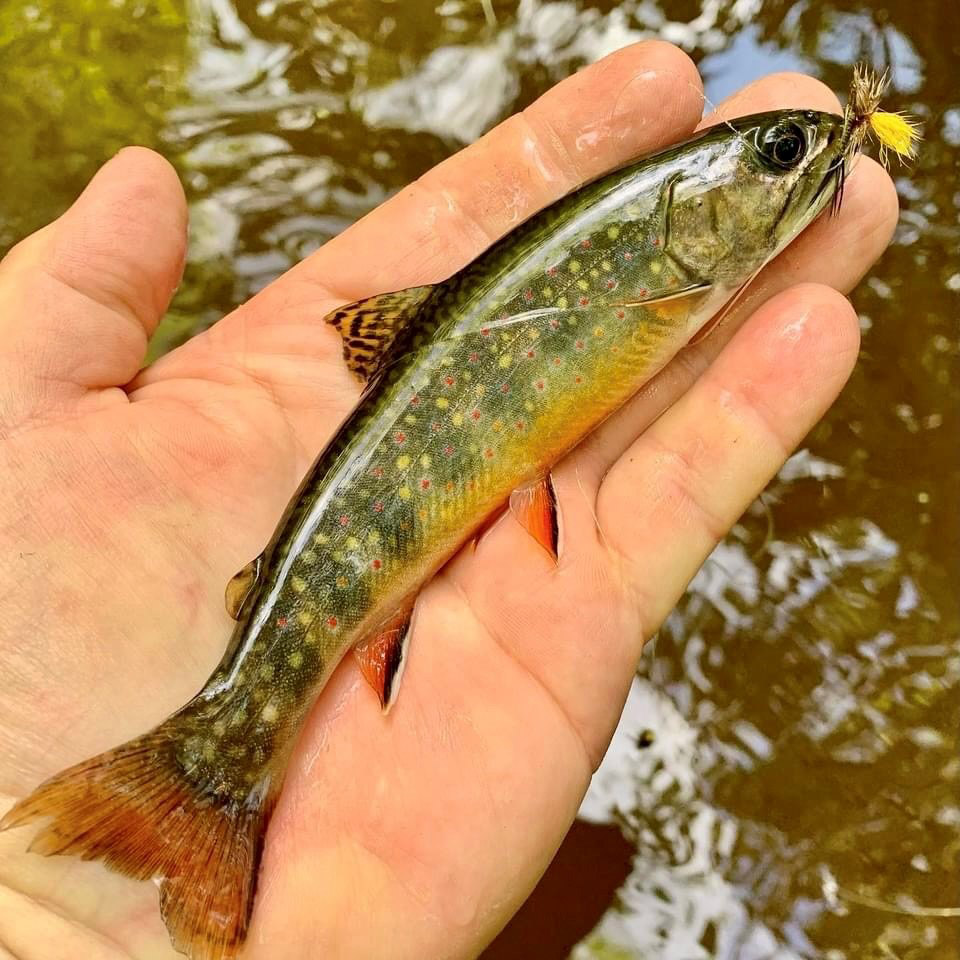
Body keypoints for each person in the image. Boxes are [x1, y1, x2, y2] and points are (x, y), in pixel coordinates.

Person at [0, 41, 896, 960]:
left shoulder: (675, 259)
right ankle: (208, 773)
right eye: (780, 154)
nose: (802, 158)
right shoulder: (657, 257)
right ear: (687, 212)